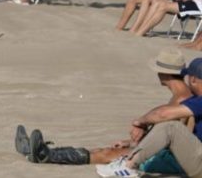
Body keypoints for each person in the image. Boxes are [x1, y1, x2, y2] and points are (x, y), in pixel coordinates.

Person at [15, 49, 191, 172]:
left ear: (162, 73)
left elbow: (170, 137)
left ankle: (43, 154)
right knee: (104, 151)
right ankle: (39, 152)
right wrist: (129, 142)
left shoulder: (182, 98)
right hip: (166, 152)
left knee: (107, 154)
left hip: (171, 159)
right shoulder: (180, 96)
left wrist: (137, 140)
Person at [96, 57, 202, 178]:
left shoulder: (197, 102)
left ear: (193, 79)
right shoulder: (194, 101)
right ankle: (126, 163)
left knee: (170, 127)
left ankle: (127, 166)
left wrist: (139, 122)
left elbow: (163, 114)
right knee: (169, 126)